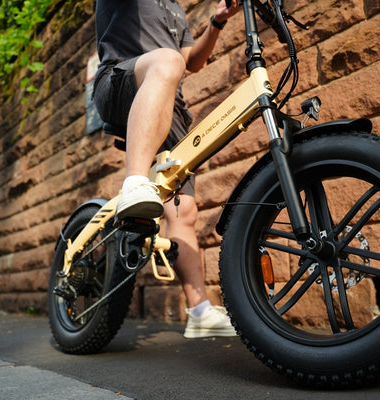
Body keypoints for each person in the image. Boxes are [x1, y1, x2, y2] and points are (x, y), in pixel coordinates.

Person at [93, 0, 242, 338]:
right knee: (167, 60)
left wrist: (217, 22)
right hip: (120, 79)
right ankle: (134, 182)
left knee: (185, 211)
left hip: (169, 104)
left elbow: (193, 61)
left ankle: (200, 312)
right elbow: (173, 61)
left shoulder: (175, 10)